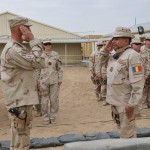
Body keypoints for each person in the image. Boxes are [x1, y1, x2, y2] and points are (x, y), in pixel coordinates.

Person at [1, 16, 45, 150]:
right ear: (21, 28)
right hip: (19, 100)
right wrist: (33, 41)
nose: (29, 30)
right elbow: (39, 62)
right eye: (27, 28)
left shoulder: (17, 48)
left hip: (20, 98)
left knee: (21, 135)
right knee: (21, 137)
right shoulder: (14, 49)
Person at [99, 26, 144, 138]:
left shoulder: (133, 56)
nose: (114, 41)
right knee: (121, 131)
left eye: (117, 38)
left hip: (125, 104)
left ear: (126, 40)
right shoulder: (115, 55)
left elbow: (138, 84)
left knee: (128, 135)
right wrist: (106, 50)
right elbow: (101, 62)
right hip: (116, 102)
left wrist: (131, 105)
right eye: (113, 38)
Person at [38, 39, 63, 125]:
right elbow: (37, 69)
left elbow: (59, 68)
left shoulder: (55, 55)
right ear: (43, 45)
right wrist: (37, 81)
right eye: (46, 44)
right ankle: (45, 117)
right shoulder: (40, 55)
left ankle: (53, 117)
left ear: (51, 45)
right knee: (44, 101)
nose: (47, 46)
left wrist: (60, 80)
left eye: (49, 44)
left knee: (54, 100)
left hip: (54, 80)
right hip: (43, 81)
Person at [140, 35, 150, 108]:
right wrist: (142, 74)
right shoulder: (142, 49)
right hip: (145, 73)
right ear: (145, 41)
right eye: (148, 40)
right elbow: (141, 63)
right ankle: (143, 103)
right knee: (144, 88)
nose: (149, 42)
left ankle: (149, 101)